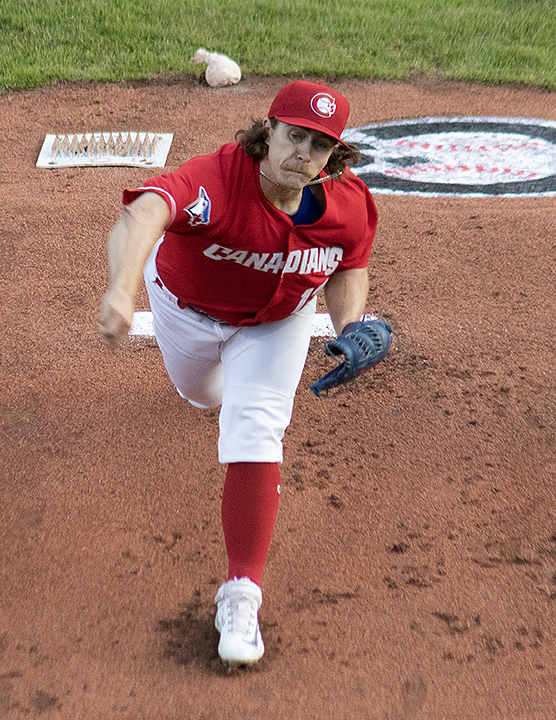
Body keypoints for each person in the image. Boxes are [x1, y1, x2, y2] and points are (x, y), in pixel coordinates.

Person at [97, 80, 379, 668]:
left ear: (334, 154)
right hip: (186, 311)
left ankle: (241, 593)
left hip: (277, 321)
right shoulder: (218, 181)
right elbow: (144, 211)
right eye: (294, 136)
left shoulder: (349, 205)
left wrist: (351, 326)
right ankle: (222, 384)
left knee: (256, 427)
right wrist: (122, 290)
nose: (303, 153)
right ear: (267, 132)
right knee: (202, 395)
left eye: (320, 145)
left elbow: (348, 265)